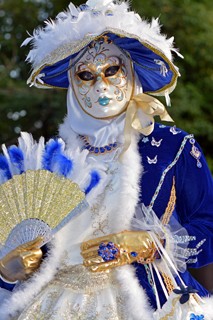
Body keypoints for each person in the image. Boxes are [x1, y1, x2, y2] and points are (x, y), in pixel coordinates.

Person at [0, 0, 213, 319]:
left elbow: (209, 223)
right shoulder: (53, 159)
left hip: (153, 302)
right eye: (85, 75)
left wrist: (152, 243)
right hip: (53, 305)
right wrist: (10, 268)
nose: (101, 85)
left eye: (112, 70)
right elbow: (23, 240)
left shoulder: (175, 147)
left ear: (132, 71)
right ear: (71, 83)